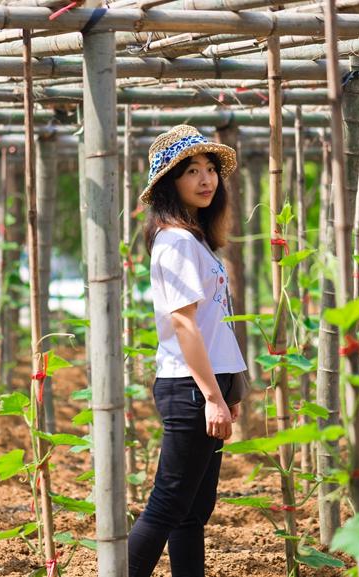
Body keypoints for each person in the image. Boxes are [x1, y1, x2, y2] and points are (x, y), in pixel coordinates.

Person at [127, 125, 248, 577]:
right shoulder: (175, 240)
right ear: (169, 184)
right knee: (167, 504)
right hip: (190, 388)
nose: (206, 179)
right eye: (191, 170)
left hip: (206, 384)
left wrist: (229, 388)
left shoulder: (194, 238)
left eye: (211, 169)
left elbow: (215, 326)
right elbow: (184, 323)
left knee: (193, 510)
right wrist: (213, 396)